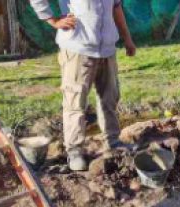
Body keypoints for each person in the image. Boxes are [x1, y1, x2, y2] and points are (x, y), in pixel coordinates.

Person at [30, 0, 137, 171]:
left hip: (107, 50)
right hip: (78, 49)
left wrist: (127, 38)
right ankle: (74, 151)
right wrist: (53, 21)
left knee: (109, 98)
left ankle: (113, 141)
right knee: (75, 102)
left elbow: (116, 7)